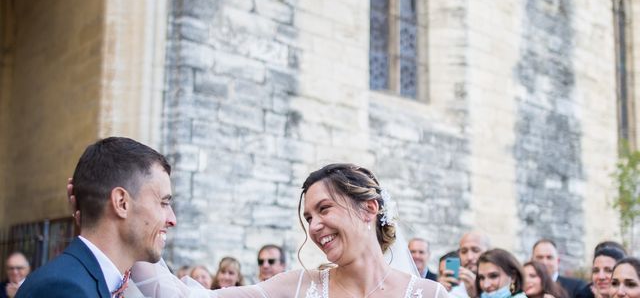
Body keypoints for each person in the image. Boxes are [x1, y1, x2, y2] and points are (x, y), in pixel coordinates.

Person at [131, 162, 449, 298]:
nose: (314, 226)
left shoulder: (430, 295)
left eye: (324, 209)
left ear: (369, 208)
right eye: (308, 218)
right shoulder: (297, 287)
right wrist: (127, 224)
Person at [16, 136, 177, 298]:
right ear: (121, 203)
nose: (172, 220)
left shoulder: (98, 282)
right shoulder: (65, 289)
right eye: (163, 203)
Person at [439, 231, 491, 298]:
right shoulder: (451, 287)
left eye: (475, 250)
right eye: (464, 251)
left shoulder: (499, 285)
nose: (469, 257)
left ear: (488, 252)